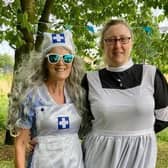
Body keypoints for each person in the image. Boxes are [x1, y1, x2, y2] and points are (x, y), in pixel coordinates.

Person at [81, 19, 168, 168]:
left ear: (131, 42)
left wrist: (137, 133)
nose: (117, 45)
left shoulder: (151, 74)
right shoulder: (90, 80)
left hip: (140, 154)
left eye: (123, 39)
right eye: (111, 40)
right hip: (100, 156)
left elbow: (164, 117)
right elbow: (80, 121)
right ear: (103, 44)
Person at [9, 30, 85, 168]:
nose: (61, 63)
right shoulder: (32, 96)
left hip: (75, 163)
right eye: (54, 58)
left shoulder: (78, 94)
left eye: (67, 58)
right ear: (44, 62)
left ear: (73, 62)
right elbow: (20, 144)